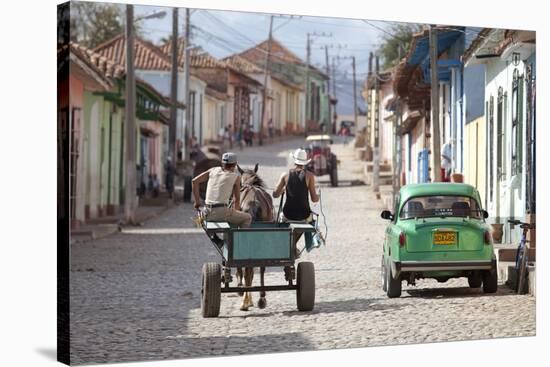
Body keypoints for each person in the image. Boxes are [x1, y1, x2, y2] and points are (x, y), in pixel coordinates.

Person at [273, 148, 321, 253]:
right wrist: (318, 196)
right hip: (304, 215)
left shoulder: (285, 175)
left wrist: (281, 191)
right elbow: (314, 199)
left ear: (294, 160)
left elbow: (275, 194)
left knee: (278, 219)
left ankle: (289, 245)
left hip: (288, 214)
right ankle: (296, 244)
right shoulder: (310, 176)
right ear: (304, 162)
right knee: (313, 222)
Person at [192, 152, 252, 228]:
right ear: (235, 164)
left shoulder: (213, 170)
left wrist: (197, 203)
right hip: (221, 213)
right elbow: (236, 200)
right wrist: (236, 213)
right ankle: (241, 239)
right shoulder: (236, 177)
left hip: (206, 213)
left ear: (222, 163)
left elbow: (194, 181)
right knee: (248, 217)